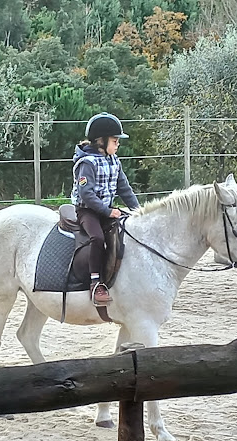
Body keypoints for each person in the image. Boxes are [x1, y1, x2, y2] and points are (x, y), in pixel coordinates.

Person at [70, 112, 140, 306]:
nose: (118, 144)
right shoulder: (86, 163)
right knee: (97, 237)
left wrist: (138, 211)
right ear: (101, 141)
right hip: (88, 211)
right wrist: (107, 212)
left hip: (106, 208)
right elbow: (87, 195)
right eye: (115, 140)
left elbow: (124, 189)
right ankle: (95, 282)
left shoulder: (114, 160)